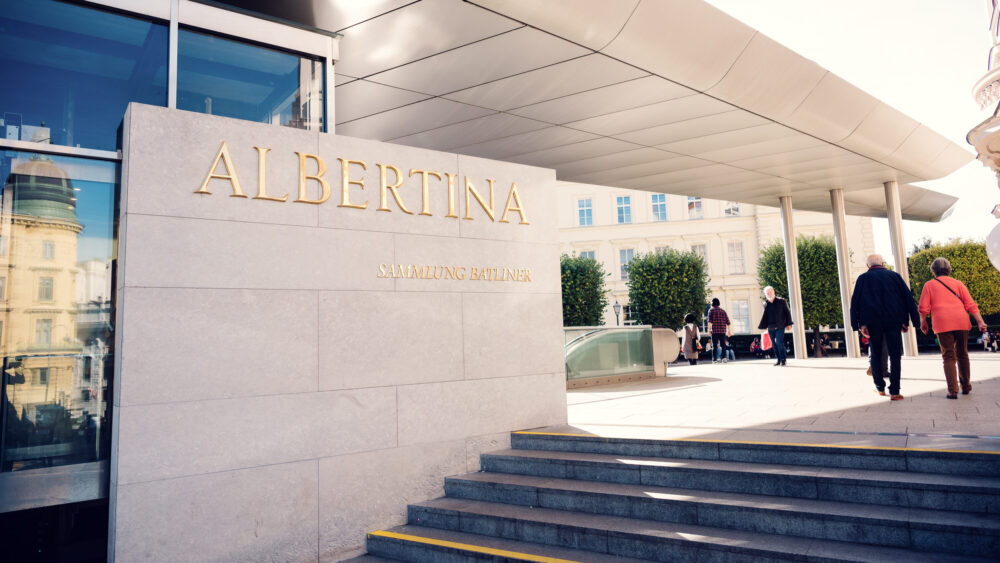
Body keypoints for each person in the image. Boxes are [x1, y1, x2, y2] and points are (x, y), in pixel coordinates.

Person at [850, 254, 919, 400]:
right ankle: (895, 390)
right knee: (895, 355)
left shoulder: (862, 279)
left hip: (872, 323)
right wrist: (908, 321)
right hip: (893, 321)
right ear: (882, 263)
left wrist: (858, 325)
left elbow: (855, 303)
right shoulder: (894, 276)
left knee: (875, 354)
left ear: (868, 266)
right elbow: (907, 299)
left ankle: (879, 387)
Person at [917, 257, 989, 399]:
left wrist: (923, 322)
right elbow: (970, 304)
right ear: (949, 269)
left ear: (933, 271)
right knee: (963, 354)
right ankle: (966, 386)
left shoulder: (929, 285)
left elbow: (923, 308)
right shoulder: (958, 283)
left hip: (942, 323)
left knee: (948, 356)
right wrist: (980, 322)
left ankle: (953, 390)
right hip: (961, 321)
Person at [757, 286, 793, 366]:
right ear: (766, 294)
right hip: (770, 327)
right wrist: (765, 326)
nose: (769, 294)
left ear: (773, 292)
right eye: (767, 293)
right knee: (774, 344)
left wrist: (789, 324)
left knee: (778, 342)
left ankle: (783, 359)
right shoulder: (765, 303)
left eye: (770, 292)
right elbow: (765, 315)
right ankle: (778, 359)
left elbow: (787, 313)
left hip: (780, 325)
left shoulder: (782, 301)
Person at [708, 298, 732, 364]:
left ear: (712, 303)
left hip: (715, 331)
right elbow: (728, 322)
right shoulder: (723, 311)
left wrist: (709, 330)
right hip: (722, 330)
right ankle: (724, 358)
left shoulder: (711, 310)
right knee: (723, 345)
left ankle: (714, 360)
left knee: (714, 346)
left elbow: (710, 321)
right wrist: (729, 331)